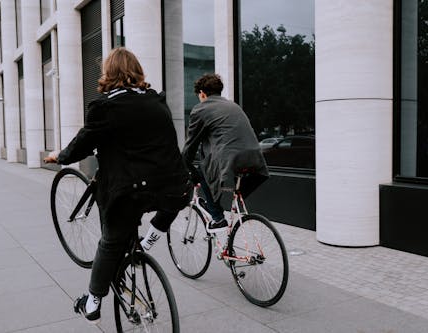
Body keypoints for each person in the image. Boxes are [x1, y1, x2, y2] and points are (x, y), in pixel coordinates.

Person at [44, 47, 190, 323]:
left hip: (132, 191)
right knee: (170, 200)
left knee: (111, 242)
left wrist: (60, 156)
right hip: (174, 185)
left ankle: (93, 300)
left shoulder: (105, 106)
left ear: (108, 73)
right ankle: (150, 238)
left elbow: (84, 142)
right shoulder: (157, 101)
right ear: (136, 71)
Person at [180, 73, 269, 232]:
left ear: (202, 93)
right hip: (255, 158)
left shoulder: (201, 109)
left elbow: (190, 148)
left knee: (202, 170)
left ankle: (217, 217)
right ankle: (233, 203)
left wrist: (188, 170)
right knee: (233, 191)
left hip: (230, 159)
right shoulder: (233, 106)